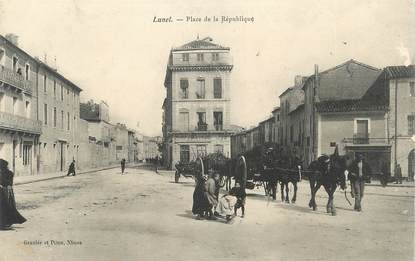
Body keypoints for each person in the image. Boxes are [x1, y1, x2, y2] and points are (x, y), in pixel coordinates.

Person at [0, 159, 26, 230]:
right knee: (8, 206)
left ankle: (6, 222)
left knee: (6, 206)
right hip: (6, 190)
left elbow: (9, 182)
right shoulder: (8, 172)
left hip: (5, 191)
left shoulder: (8, 173)